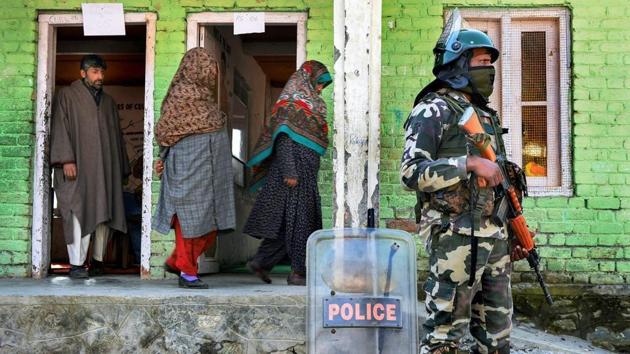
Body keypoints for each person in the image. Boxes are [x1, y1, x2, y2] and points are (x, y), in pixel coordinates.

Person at [400, 10, 529, 354]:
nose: (490, 70)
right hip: (455, 237)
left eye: (490, 62)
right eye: (482, 61)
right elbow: (411, 172)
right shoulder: (433, 109)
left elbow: (499, 181)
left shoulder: (484, 115)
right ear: (458, 65)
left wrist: (512, 232)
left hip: (495, 239)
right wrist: (466, 163)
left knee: (496, 339)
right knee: (445, 338)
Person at [152, 48, 235, 289]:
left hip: (208, 175)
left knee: (210, 226)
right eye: (209, 67)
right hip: (184, 172)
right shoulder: (179, 96)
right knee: (186, 222)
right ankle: (187, 272)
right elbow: (165, 132)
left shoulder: (208, 99)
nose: (212, 72)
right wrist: (162, 159)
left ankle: (177, 260)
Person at [244, 60, 332, 286]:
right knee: (302, 223)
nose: (321, 89)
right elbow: (282, 140)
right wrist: (290, 172)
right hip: (293, 174)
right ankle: (298, 273)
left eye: (323, 85)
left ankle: (261, 262)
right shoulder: (289, 104)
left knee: (287, 223)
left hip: (304, 173)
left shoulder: (312, 105)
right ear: (308, 80)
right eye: (319, 83)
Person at [50, 54, 129, 279]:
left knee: (105, 211)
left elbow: (117, 136)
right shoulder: (66, 95)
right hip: (77, 167)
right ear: (83, 73)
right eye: (95, 72)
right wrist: (66, 159)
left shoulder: (109, 102)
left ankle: (97, 260)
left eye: (102, 72)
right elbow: (60, 126)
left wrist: (121, 168)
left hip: (104, 169)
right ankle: (76, 264)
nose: (100, 76)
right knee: (77, 209)